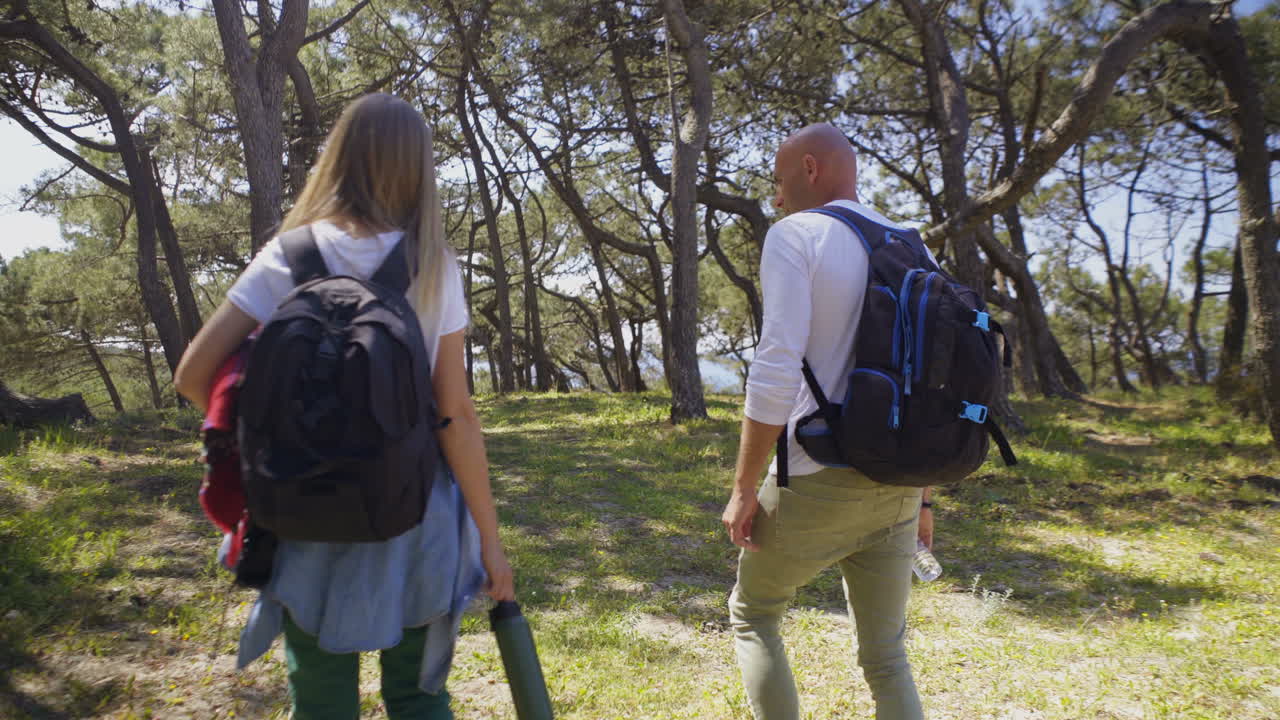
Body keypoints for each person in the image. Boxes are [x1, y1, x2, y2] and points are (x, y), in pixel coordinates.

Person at [174, 92, 514, 719]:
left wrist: (280, 430)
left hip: (302, 513)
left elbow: (194, 375)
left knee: (322, 696)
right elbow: (454, 414)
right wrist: (490, 541)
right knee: (417, 695)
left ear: (339, 157)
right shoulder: (432, 264)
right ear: (418, 169)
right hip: (412, 516)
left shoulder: (290, 255)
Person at [721, 122, 933, 720]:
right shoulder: (915, 244)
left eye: (780, 183)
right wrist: (925, 500)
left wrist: (743, 488)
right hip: (899, 485)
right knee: (887, 656)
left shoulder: (797, 235)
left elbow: (776, 366)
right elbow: (932, 385)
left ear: (810, 169)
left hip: (816, 473)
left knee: (755, 613)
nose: (778, 199)